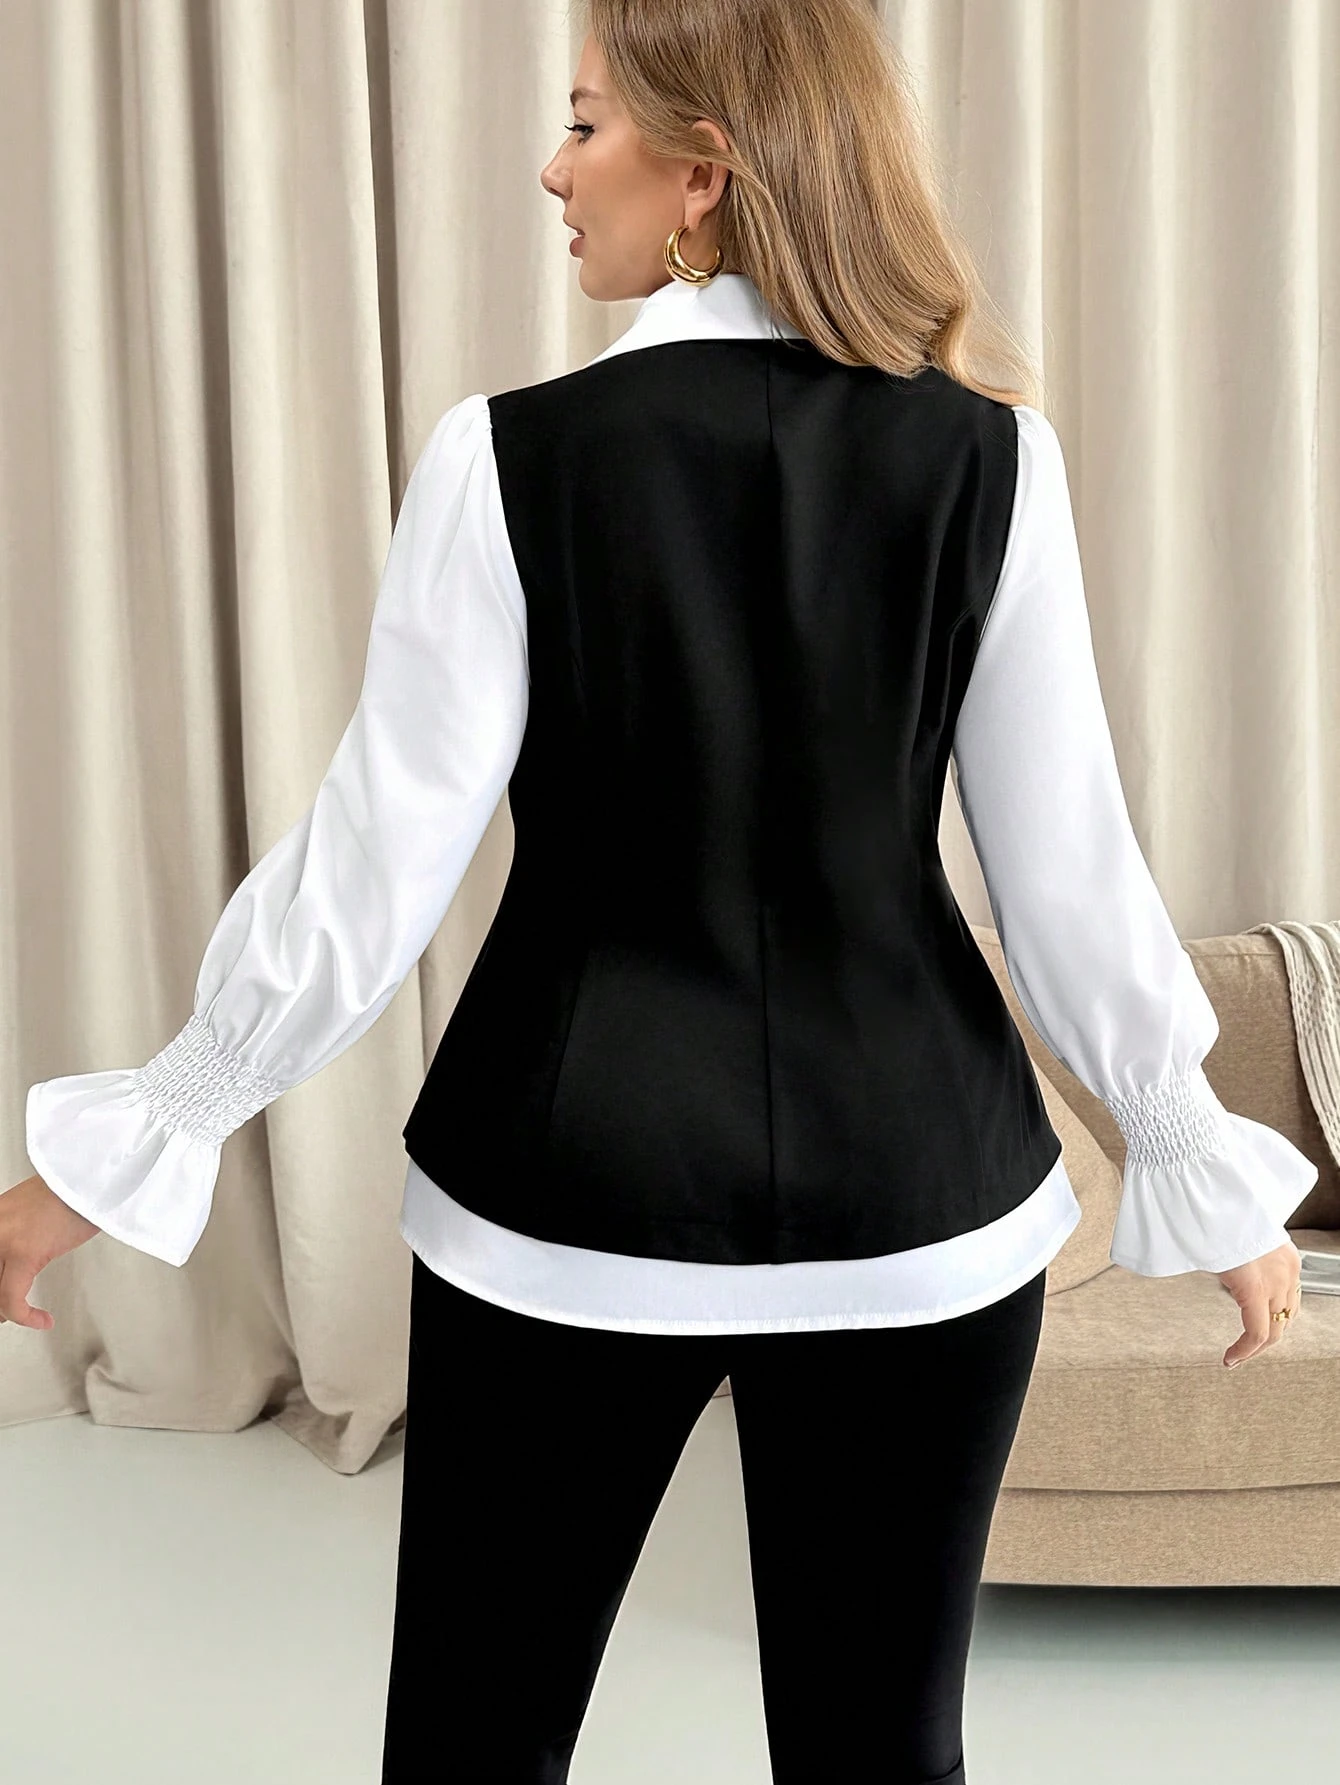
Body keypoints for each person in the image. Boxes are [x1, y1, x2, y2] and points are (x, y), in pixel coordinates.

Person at [2, 2, 1315, 1780]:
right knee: (881, 1757)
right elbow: (1068, 869)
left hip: (564, 1191)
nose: (554, 171)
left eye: (585, 124)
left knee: (473, 1744)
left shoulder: (507, 458)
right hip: (917, 1198)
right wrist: (1189, 1153)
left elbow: (371, 875)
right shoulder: (992, 457)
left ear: (705, 174)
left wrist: (133, 1142)